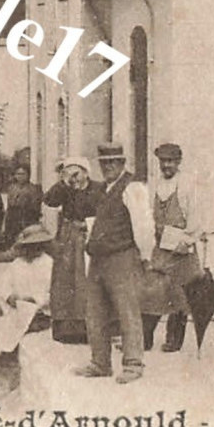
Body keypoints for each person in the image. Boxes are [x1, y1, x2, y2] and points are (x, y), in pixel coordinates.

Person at [74, 145, 153, 384]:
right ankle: (100, 362)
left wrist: (145, 255)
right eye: (104, 163)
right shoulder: (107, 190)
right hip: (99, 259)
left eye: (113, 163)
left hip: (122, 258)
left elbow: (144, 225)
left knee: (127, 310)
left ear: (122, 163)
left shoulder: (133, 187)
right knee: (95, 312)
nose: (108, 167)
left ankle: (133, 364)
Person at [0, 223, 55, 400]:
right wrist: (10, 298)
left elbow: (54, 294)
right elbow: (2, 287)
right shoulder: (17, 264)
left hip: (41, 314)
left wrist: (36, 302)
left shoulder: (49, 264)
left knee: (16, 335)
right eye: (27, 247)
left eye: (35, 247)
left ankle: (9, 377)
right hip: (17, 313)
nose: (30, 251)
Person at [142, 143, 202, 353]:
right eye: (163, 161)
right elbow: (148, 216)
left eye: (170, 161)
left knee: (180, 295)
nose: (166, 165)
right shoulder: (155, 185)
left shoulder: (187, 185)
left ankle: (174, 340)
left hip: (180, 247)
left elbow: (195, 217)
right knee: (151, 291)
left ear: (178, 162)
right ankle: (145, 339)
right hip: (160, 247)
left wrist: (187, 241)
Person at [43, 157, 102, 343]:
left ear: (86, 172)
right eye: (68, 175)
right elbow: (49, 200)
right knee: (65, 281)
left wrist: (90, 225)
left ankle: (90, 328)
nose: (73, 179)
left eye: (76, 174)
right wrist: (62, 182)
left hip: (91, 238)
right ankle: (67, 330)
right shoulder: (65, 190)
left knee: (87, 281)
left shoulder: (99, 188)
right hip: (68, 240)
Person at [1, 163, 43, 248]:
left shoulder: (33, 189)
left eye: (23, 174)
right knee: (10, 241)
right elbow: (9, 206)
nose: (20, 176)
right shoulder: (12, 187)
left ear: (28, 175)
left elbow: (35, 208)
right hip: (12, 218)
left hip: (25, 218)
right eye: (18, 174)